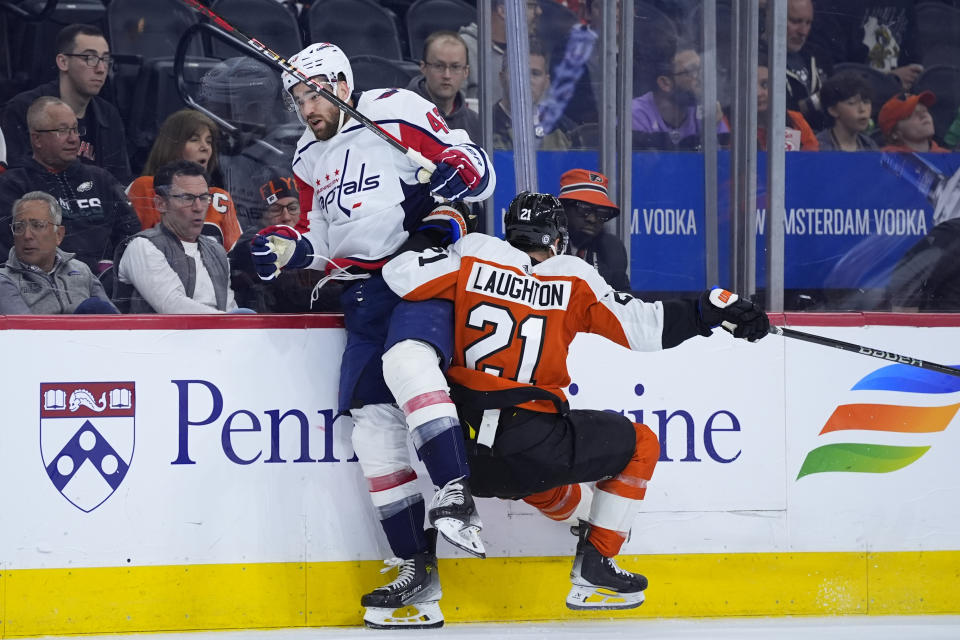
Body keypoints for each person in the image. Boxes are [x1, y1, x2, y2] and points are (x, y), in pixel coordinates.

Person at [381, 191, 770, 611]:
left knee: (542, 472)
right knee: (639, 442)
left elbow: (402, 275)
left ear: (509, 230)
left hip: (464, 457)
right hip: (532, 445)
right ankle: (597, 560)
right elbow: (643, 328)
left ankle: (557, 518)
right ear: (558, 239)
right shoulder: (573, 276)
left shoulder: (474, 253)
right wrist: (706, 312)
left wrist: (440, 225)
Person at [249, 43, 495, 629]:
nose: (306, 108)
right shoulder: (308, 154)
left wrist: (463, 170)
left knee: (409, 365)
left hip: (418, 272)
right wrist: (288, 248)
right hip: (360, 292)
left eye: (314, 93)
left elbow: (477, 173)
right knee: (373, 427)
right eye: (298, 99)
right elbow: (320, 234)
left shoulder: (395, 110)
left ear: (340, 81)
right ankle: (417, 574)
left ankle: (456, 494)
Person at [0, 96, 141, 284]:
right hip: (44, 287)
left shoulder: (101, 179)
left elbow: (131, 234)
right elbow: (13, 250)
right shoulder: (13, 185)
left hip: (108, 283)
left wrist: (112, 270)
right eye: (62, 131)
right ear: (37, 139)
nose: (74, 139)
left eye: (75, 129)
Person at [0, 24, 131, 183]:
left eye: (105, 59)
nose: (101, 69)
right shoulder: (24, 108)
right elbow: (16, 181)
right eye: (90, 58)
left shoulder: (108, 115)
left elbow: (119, 183)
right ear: (63, 62)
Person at [115, 161, 242, 314]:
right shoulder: (142, 246)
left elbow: (230, 307)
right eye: (187, 198)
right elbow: (173, 306)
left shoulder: (217, 251)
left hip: (219, 334)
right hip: (163, 336)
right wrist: (229, 323)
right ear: (161, 204)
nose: (198, 208)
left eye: (203, 197)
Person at [127, 109, 244, 251]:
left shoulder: (221, 198)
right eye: (194, 140)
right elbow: (131, 250)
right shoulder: (145, 187)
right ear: (171, 146)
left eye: (209, 141)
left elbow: (236, 256)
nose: (205, 147)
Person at [228, 168, 338, 312]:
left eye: (292, 208)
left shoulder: (317, 240)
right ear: (262, 215)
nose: (286, 216)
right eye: (276, 209)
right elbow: (294, 297)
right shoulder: (254, 246)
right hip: (272, 330)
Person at [0, 191, 118, 314]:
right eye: (19, 227)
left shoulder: (81, 270)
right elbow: (24, 331)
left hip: (89, 332)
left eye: (37, 225)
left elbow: (117, 322)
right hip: (45, 333)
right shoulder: (4, 280)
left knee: (95, 307)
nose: (27, 235)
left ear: (58, 235)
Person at [631, 46, 730, 151]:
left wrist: (710, 128)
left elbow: (720, 162)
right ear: (665, 83)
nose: (702, 78)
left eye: (702, 70)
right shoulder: (636, 116)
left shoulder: (705, 110)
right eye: (692, 71)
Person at [492, 38, 576, 151]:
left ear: (546, 82)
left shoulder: (563, 127)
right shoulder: (484, 126)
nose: (526, 81)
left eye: (535, 74)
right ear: (502, 78)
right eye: (518, 72)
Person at [557, 168, 630, 291]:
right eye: (584, 209)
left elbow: (623, 303)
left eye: (602, 213)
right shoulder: (542, 246)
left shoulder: (612, 249)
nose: (593, 219)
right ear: (563, 209)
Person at [459, 0, 542, 103]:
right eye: (530, 6)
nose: (539, 11)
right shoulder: (462, 49)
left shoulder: (534, 53)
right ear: (503, 11)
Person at [407, 31, 480, 143]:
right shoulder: (400, 113)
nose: (447, 75)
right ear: (423, 68)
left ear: (466, 72)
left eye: (455, 67)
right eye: (439, 66)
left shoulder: (475, 123)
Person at [783, 0, 832, 131]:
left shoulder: (819, 55)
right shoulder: (756, 59)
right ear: (770, 15)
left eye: (808, 23)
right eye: (795, 21)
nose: (803, 31)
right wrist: (817, 101)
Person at [758, 49, 819, 151]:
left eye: (765, 84)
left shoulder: (795, 120)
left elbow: (812, 161)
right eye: (749, 86)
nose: (758, 93)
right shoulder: (727, 123)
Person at [814, 71, 878, 151]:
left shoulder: (870, 146)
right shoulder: (817, 147)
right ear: (833, 110)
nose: (862, 109)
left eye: (866, 102)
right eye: (852, 103)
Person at [878, 92, 949, 153]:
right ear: (894, 133)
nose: (923, 115)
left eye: (925, 111)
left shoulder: (947, 156)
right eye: (910, 115)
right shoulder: (883, 160)